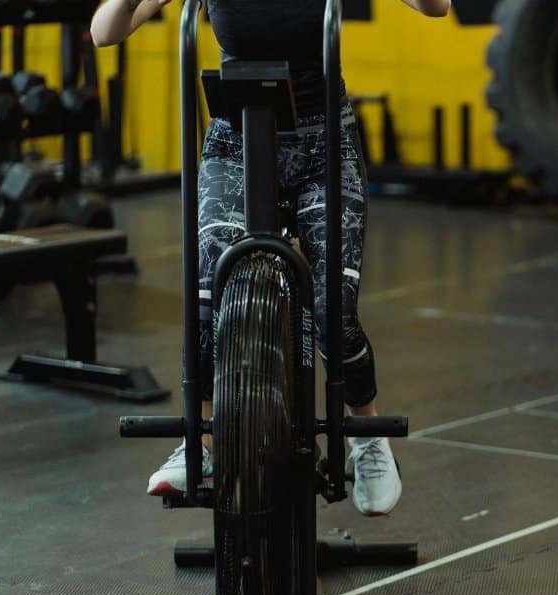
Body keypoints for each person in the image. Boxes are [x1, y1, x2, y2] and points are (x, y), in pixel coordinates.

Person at [90, 0, 451, 516]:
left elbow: (436, 7)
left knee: (333, 310)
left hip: (323, 142)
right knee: (208, 291)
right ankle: (206, 443)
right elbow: (105, 32)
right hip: (235, 140)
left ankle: (366, 439)